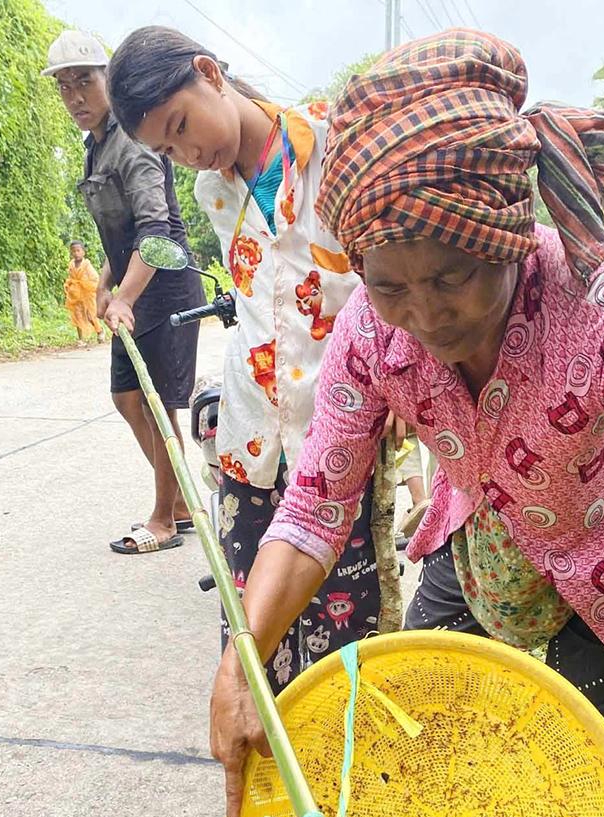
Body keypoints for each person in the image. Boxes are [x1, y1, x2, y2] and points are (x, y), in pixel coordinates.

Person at [208, 31, 604, 817]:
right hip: (485, 538)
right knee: (437, 745)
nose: (424, 315)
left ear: (506, 238)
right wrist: (241, 659)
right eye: (389, 286)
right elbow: (314, 510)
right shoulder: (372, 338)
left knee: (559, 776)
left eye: (453, 277)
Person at [107, 27, 387, 683]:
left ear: (209, 73)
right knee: (251, 640)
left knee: (343, 640)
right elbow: (260, 307)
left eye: (180, 126)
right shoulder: (213, 193)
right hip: (248, 441)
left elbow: (372, 289)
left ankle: (333, 781)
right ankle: (262, 776)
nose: (187, 152)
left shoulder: (332, 149)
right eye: (166, 149)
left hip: (337, 436)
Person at [43, 29, 202, 555]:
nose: (75, 98)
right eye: (65, 87)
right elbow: (124, 235)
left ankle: (164, 519)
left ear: (108, 78)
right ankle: (177, 502)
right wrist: (107, 285)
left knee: (159, 408)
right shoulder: (96, 147)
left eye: (84, 82)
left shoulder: (132, 143)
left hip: (166, 286)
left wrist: (126, 297)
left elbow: (156, 232)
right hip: (134, 287)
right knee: (126, 398)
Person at [63, 241, 105, 343]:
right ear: (71, 253)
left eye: (78, 251)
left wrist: (86, 284)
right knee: (77, 315)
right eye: (73, 251)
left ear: (83, 252)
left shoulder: (86, 265)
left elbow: (94, 277)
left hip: (87, 294)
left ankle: (99, 331)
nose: (76, 253)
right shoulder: (71, 265)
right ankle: (80, 339)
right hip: (76, 295)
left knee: (90, 315)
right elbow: (71, 277)